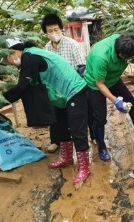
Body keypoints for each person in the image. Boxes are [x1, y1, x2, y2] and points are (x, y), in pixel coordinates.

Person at [0, 38, 91, 186]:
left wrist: (0, 101)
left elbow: (23, 86)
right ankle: (67, 158)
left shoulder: (29, 57)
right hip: (60, 95)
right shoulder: (30, 56)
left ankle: (84, 168)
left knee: (77, 130)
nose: (10, 63)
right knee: (61, 126)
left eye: (7, 58)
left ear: (14, 51)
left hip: (74, 90)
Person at [84, 33, 134, 162]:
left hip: (113, 80)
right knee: (100, 117)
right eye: (129, 57)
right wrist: (116, 101)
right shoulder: (101, 57)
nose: (131, 58)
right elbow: (100, 84)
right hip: (95, 85)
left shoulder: (127, 42)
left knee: (132, 103)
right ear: (120, 54)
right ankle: (102, 148)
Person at [41, 14, 94, 153]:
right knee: (57, 116)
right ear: (46, 33)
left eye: (56, 30)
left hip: (73, 86)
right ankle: (57, 141)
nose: (53, 33)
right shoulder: (47, 48)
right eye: (50, 31)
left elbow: (81, 67)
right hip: (57, 88)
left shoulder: (72, 45)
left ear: (61, 29)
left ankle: (92, 137)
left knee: (81, 115)